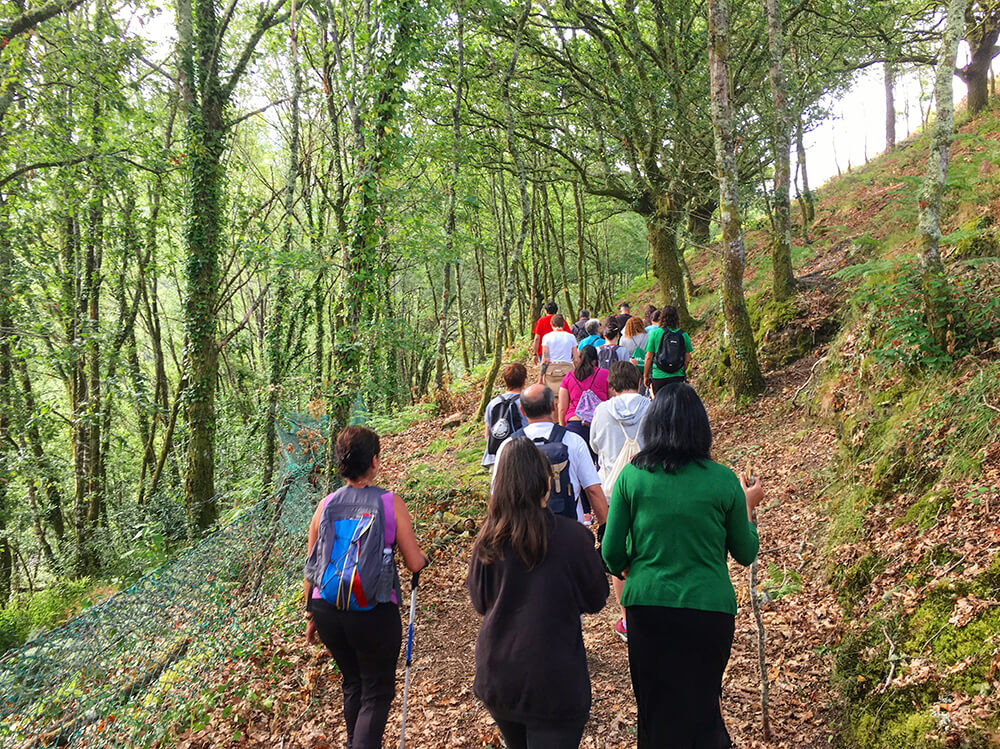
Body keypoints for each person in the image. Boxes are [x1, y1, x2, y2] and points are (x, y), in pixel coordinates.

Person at [600, 385, 763, 749]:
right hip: (709, 610)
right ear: (700, 427)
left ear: (653, 426)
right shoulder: (723, 480)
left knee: (655, 709)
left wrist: (637, 568)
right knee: (703, 704)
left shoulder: (632, 476)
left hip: (647, 608)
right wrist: (749, 507)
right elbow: (744, 551)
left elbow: (610, 553)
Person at [468, 437, 609, 749]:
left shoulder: (488, 540)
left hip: (498, 674)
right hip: (554, 680)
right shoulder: (572, 538)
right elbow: (596, 598)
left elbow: (480, 602)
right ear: (547, 482)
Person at [304, 426, 429, 749]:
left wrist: (310, 615)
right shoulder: (390, 503)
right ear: (375, 461)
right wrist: (423, 558)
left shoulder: (325, 505)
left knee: (353, 683)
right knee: (376, 690)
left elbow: (313, 564)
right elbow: (414, 563)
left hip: (326, 607)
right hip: (373, 608)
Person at [589, 361, 651, 641]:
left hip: (613, 489)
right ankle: (652, 605)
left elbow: (595, 446)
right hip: (650, 486)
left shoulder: (602, 411)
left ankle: (628, 620)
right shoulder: (652, 407)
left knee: (619, 551)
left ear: (611, 387)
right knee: (649, 545)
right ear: (638, 381)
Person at [493, 383, 609, 525]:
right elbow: (593, 490)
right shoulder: (573, 441)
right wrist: (606, 529)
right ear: (554, 406)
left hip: (523, 531)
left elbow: (497, 494)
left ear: (522, 411)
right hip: (569, 528)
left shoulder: (508, 445)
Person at [558, 345, 609, 465]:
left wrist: (562, 426)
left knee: (578, 465)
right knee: (601, 463)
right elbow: (612, 399)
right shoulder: (605, 374)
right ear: (595, 360)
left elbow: (562, 408)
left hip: (575, 423)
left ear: (579, 359)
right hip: (600, 423)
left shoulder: (568, 377)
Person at [482, 363, 527, 467]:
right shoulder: (526, 401)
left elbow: (487, 435)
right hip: (521, 455)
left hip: (496, 458)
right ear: (524, 381)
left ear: (505, 381)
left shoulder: (492, 404)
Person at [643, 305, 693, 396]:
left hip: (658, 376)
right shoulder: (683, 335)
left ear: (662, 317)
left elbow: (648, 357)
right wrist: (680, 369)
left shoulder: (655, 333)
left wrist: (645, 376)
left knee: (660, 405)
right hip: (678, 376)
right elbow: (687, 359)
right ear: (677, 318)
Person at [540, 314, 576, 396]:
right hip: (567, 370)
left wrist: (540, 378)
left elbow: (545, 360)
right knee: (566, 396)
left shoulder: (546, 337)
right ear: (563, 324)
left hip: (551, 372)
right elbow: (576, 359)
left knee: (551, 398)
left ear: (551, 324)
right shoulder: (571, 337)